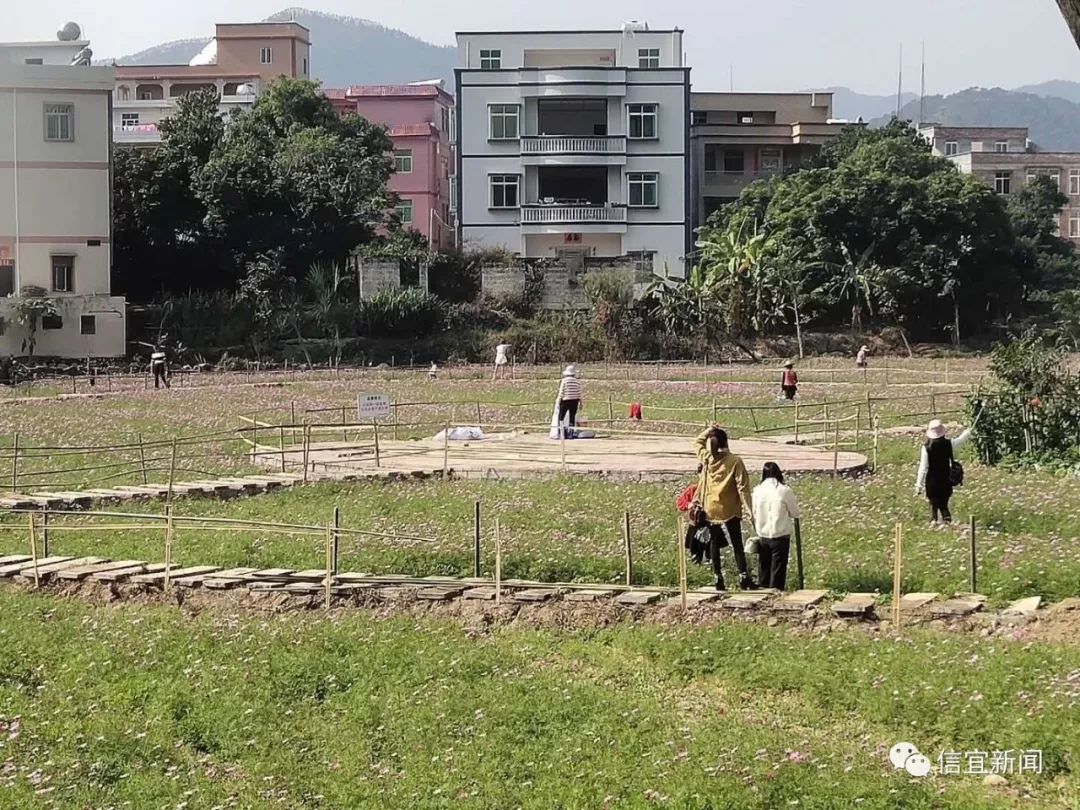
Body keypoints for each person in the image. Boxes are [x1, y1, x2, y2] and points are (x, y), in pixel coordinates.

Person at [694, 426, 755, 591]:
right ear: (726, 442)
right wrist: (749, 510)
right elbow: (742, 488)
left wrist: (708, 430)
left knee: (714, 543)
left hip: (710, 507)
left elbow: (697, 442)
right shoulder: (735, 461)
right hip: (729, 508)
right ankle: (743, 577)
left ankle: (718, 579)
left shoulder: (707, 457)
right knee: (736, 544)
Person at [915, 418, 975, 525]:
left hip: (932, 481)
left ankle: (934, 523)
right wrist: (968, 432)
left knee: (934, 505)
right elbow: (961, 440)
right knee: (943, 505)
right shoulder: (949, 444)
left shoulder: (926, 448)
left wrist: (918, 485)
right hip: (946, 480)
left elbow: (923, 468)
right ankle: (947, 524)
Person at [751, 462, 801, 590]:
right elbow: (795, 513)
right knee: (778, 571)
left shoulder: (757, 490)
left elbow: (754, 511)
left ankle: (763, 592)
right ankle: (776, 593)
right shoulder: (784, 490)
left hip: (762, 535)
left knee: (764, 568)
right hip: (780, 535)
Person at [556, 365, 583, 433]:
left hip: (565, 400)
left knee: (561, 417)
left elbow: (561, 392)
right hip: (574, 401)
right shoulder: (577, 381)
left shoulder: (564, 381)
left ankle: (561, 432)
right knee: (572, 417)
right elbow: (579, 392)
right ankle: (571, 432)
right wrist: (581, 402)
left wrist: (558, 401)